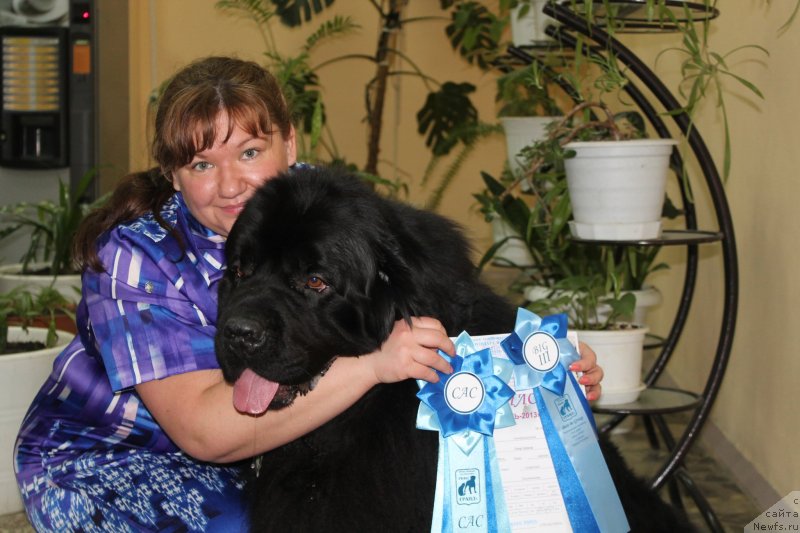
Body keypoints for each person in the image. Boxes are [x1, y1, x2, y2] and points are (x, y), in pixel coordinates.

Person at [14, 56, 603, 532]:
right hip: (119, 457)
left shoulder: (323, 207)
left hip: (262, 442)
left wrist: (541, 370)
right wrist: (375, 366)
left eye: (249, 152)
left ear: (289, 145)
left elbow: (435, 289)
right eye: (201, 163)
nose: (231, 185)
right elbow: (204, 434)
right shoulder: (134, 256)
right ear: (173, 173)